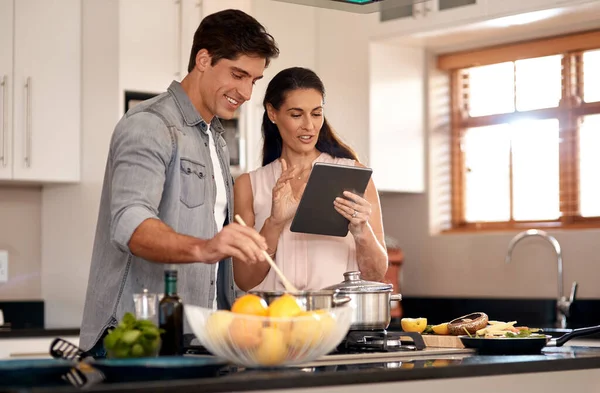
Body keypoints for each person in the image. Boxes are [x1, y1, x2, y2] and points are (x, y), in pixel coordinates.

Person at [79, 9, 279, 356]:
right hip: (136, 340)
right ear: (204, 59)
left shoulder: (214, 138)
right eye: (238, 74)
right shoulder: (150, 125)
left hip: (195, 340)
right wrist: (205, 247)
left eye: (254, 80)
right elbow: (130, 224)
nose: (247, 92)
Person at [233, 67, 388, 292]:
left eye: (316, 113)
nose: (309, 125)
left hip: (337, 319)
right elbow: (244, 280)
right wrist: (274, 224)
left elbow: (375, 275)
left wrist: (361, 230)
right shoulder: (249, 185)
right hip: (277, 318)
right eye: (296, 115)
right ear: (272, 113)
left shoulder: (353, 176)